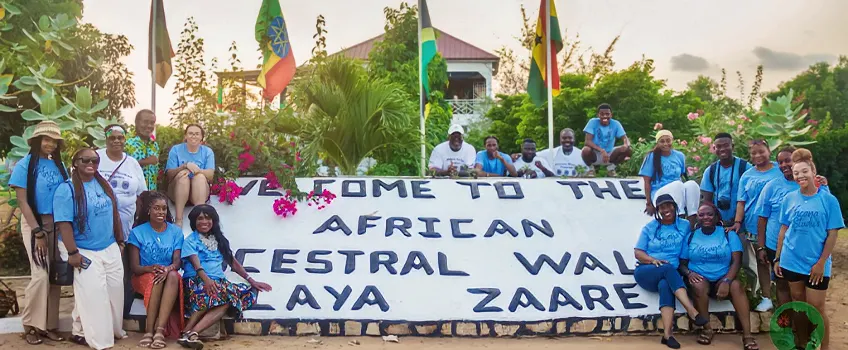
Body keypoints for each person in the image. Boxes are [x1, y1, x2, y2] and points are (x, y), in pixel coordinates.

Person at [53, 148, 127, 350]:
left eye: (95, 160)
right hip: (81, 248)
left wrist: (119, 241)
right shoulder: (65, 190)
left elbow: (113, 213)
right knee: (94, 294)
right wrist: (72, 253)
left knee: (114, 292)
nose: (91, 163)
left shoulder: (101, 183)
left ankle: (83, 330)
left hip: (108, 245)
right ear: (75, 162)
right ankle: (99, 341)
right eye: (85, 159)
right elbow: (64, 224)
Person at [774, 148, 843, 350]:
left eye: (804, 171)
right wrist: (778, 258)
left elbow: (832, 234)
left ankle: (824, 347)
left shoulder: (828, 200)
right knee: (799, 305)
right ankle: (802, 344)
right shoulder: (790, 198)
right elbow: (783, 231)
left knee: (817, 307)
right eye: (796, 173)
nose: (800, 176)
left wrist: (821, 263)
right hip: (791, 259)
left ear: (813, 173)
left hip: (817, 262)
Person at [178, 205, 272, 349]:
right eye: (200, 218)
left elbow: (233, 263)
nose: (204, 221)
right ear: (194, 222)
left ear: (214, 220)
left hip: (217, 282)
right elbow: (197, 265)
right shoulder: (190, 241)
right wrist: (207, 281)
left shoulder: (219, 240)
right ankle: (190, 332)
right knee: (220, 295)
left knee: (239, 294)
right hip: (196, 280)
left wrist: (251, 280)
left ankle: (190, 333)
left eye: (208, 218)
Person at [9, 121, 68, 345]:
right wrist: (38, 233)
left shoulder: (58, 165)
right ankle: (30, 325)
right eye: (46, 139)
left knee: (55, 278)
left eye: (54, 140)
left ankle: (49, 326)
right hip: (36, 224)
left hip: (57, 225)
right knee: (41, 275)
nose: (50, 144)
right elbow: (22, 202)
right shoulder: (25, 165)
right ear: (36, 141)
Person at [678, 202, 758, 350]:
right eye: (701, 215)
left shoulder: (728, 234)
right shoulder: (691, 236)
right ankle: (707, 329)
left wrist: (727, 280)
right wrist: (689, 273)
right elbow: (681, 263)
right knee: (698, 285)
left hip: (724, 276)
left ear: (716, 217)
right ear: (697, 218)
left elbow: (736, 261)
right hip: (700, 277)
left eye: (709, 214)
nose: (705, 217)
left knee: (736, 286)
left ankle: (747, 335)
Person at [757, 146, 829, 308]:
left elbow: (827, 218)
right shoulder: (772, 186)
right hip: (776, 245)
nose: (783, 165)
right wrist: (761, 247)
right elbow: (762, 218)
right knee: (782, 285)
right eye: (780, 162)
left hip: (806, 248)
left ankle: (803, 326)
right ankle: (786, 325)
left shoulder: (815, 185)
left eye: (787, 160)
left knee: (803, 291)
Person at [633, 194, 708, 349]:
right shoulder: (650, 227)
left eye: (669, 205)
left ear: (674, 206)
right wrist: (653, 260)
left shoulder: (684, 225)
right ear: (658, 210)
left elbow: (686, 251)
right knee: (667, 268)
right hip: (647, 271)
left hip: (671, 273)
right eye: (662, 207)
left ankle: (668, 335)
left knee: (665, 284)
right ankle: (692, 311)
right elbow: (638, 252)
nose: (666, 210)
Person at [727, 139, 783, 312]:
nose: (758, 155)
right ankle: (766, 297)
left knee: (782, 260)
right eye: (754, 153)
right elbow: (741, 202)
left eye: (761, 151)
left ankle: (784, 298)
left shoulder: (780, 170)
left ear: (769, 151)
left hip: (777, 224)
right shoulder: (748, 175)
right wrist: (738, 222)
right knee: (762, 260)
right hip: (753, 225)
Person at [128, 191, 185, 348]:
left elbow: (177, 262)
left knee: (172, 275)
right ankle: (149, 331)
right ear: (149, 210)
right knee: (156, 277)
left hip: (168, 275)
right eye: (156, 208)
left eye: (164, 209)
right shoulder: (137, 233)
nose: (161, 212)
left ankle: (159, 331)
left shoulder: (175, 232)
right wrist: (151, 268)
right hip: (144, 275)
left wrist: (167, 269)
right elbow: (135, 267)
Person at [639, 130, 700, 226]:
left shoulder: (679, 156)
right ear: (657, 143)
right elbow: (647, 182)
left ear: (672, 141)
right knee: (677, 184)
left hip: (677, 191)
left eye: (668, 140)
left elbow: (681, 176)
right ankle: (680, 215)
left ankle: (692, 219)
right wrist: (649, 203)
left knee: (691, 184)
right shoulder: (651, 157)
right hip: (659, 193)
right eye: (662, 141)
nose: (665, 144)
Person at [96, 124, 147, 239]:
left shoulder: (132, 163)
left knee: (122, 250)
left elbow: (142, 194)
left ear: (125, 140)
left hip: (125, 223)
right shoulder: (96, 157)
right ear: (106, 139)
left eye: (120, 138)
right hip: (98, 218)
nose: (116, 141)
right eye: (112, 138)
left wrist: (137, 219)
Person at [166, 124, 215, 227]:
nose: (194, 136)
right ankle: (178, 220)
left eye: (197, 134)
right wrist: (184, 166)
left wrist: (197, 171)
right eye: (191, 133)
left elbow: (210, 175)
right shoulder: (176, 150)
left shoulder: (207, 152)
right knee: (183, 175)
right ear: (185, 136)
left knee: (200, 177)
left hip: (198, 192)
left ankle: (200, 218)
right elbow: (169, 174)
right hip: (178, 190)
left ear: (201, 137)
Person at [700, 133, 749, 225]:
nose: (722, 149)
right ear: (714, 149)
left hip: (742, 222)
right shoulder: (711, 171)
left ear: (732, 147)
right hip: (718, 222)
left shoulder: (744, 167)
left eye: (726, 145)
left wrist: (738, 219)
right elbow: (707, 200)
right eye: (718, 146)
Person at [581, 103, 631, 176]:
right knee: (585, 150)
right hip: (595, 153)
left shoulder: (616, 123)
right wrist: (602, 150)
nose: (605, 116)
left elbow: (625, 138)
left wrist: (626, 145)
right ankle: (591, 169)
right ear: (598, 115)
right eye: (602, 114)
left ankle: (611, 169)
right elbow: (587, 141)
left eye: (607, 114)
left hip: (610, 154)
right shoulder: (592, 122)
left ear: (611, 115)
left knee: (628, 150)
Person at [125, 109, 160, 191]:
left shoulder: (154, 145)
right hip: (132, 193)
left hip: (151, 192)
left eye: (152, 123)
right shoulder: (127, 143)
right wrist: (146, 161)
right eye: (145, 122)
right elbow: (123, 167)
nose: (149, 126)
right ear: (137, 122)